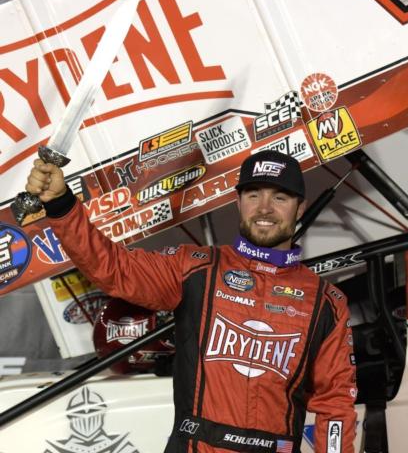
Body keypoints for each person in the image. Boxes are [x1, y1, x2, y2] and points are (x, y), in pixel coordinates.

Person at [26, 149, 357, 453]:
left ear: (300, 207)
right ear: (239, 202)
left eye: (280, 197)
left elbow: (335, 404)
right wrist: (61, 206)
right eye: (253, 195)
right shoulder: (194, 268)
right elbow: (112, 268)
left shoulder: (325, 302)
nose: (265, 208)